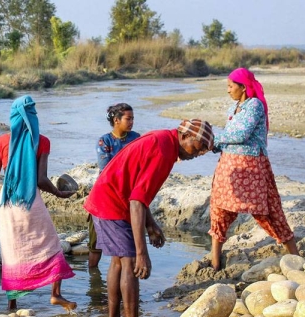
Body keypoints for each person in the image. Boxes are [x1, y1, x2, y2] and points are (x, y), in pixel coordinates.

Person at [84, 119, 214, 317]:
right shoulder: (164, 151)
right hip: (112, 202)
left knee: (118, 262)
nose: (198, 154)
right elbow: (136, 201)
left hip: (107, 198)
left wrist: (150, 224)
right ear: (185, 136)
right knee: (129, 261)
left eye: (202, 151)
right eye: (198, 148)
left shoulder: (162, 138)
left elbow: (138, 192)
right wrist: (141, 253)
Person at [0, 95, 77, 313]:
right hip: (30, 201)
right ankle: (55, 294)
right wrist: (58, 193)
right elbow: (40, 179)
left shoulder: (1, 141)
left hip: (8, 202)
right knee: (51, 244)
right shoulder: (42, 141)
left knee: (12, 250)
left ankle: (12, 305)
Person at [209, 67, 298, 271]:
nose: (228, 90)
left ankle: (296, 259)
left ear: (243, 87)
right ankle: (215, 262)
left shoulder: (255, 106)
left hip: (250, 168)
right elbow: (229, 138)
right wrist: (214, 146)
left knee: (267, 211)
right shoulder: (233, 109)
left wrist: (216, 139)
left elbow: (241, 135)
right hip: (227, 167)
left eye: (231, 86)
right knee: (219, 210)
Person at [89, 103, 140, 268]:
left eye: (132, 118)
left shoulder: (136, 138)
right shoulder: (105, 141)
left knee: (123, 245)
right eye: (128, 118)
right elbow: (106, 170)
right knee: (95, 244)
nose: (131, 121)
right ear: (116, 120)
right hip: (105, 195)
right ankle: (93, 279)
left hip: (128, 194)